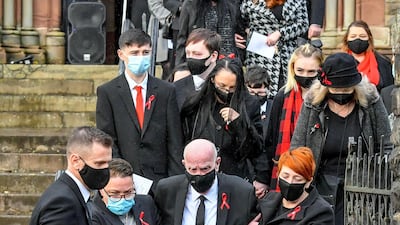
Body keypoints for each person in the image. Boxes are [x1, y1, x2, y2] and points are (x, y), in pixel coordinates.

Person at [290, 52, 391, 225]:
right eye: (336, 89)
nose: (341, 94)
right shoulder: (313, 104)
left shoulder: (371, 101)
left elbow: (387, 145)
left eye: (346, 89)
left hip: (363, 187)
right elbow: (298, 147)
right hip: (320, 184)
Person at [96, 28, 184, 192]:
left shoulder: (166, 91)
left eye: (145, 52)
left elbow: (174, 139)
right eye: (134, 53)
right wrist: (119, 174)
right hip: (125, 179)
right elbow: (107, 139)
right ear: (122, 54)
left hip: (160, 179)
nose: (141, 57)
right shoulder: (108, 92)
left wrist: (175, 182)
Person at [180, 58, 264, 184]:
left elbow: (256, 148)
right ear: (212, 80)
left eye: (232, 88)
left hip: (234, 175)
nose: (226, 91)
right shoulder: (196, 104)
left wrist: (239, 122)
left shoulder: (249, 104)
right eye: (222, 86)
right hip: (199, 174)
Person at [154, 139, 257, 225]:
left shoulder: (242, 193)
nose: (199, 174)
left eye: (205, 169)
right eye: (193, 169)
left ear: (217, 163)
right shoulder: (167, 191)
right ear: (184, 164)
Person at [266, 43, 323, 190]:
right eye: (300, 70)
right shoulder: (282, 96)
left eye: (311, 72)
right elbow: (271, 138)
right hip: (285, 168)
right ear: (292, 69)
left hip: (318, 170)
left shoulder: (326, 98)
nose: (305, 76)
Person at [29, 126, 113, 225]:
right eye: (99, 163)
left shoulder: (71, 194)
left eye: (108, 163)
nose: (105, 169)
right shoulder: (63, 203)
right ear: (76, 161)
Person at [249, 147, 334, 225]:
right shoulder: (268, 199)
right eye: (285, 176)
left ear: (308, 182)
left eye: (297, 179)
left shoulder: (320, 212)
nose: (290, 182)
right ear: (278, 175)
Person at [240, 0, 309, 97]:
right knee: (258, 93)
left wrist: (281, 33)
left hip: (287, 54)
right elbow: (241, 21)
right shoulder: (250, 2)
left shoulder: (297, 1)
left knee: (285, 95)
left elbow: (303, 24)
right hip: (260, 55)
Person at [91, 158, 159, 225]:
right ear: (101, 189)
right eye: (115, 193)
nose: (123, 199)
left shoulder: (146, 203)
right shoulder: (90, 214)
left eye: (128, 192)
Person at [175, 0, 241, 66]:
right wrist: (179, 68)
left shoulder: (232, 3)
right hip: (202, 63)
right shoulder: (191, 4)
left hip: (228, 63)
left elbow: (242, 27)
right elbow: (182, 39)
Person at [174, 28, 221, 110]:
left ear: (213, 56)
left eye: (197, 54)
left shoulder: (224, 85)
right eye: (188, 53)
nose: (191, 58)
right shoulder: (176, 88)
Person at [244, 65, 272, 198]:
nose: (256, 95)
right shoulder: (241, 109)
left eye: (260, 90)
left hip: (270, 174)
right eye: (252, 91)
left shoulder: (274, 107)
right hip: (248, 174)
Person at [341, 20, 394, 92]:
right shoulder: (339, 62)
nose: (358, 39)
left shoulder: (383, 62)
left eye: (362, 36)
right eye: (353, 36)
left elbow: (389, 90)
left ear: (369, 39)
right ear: (346, 39)